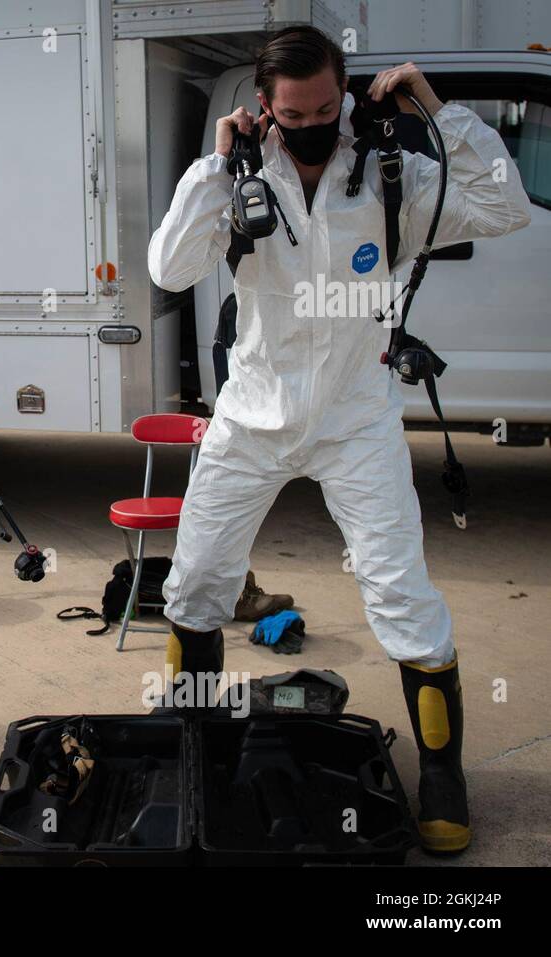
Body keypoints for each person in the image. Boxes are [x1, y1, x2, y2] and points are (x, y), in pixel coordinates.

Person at [147, 26, 531, 854]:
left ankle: (442, 776)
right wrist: (217, 165)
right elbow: (170, 267)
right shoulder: (241, 176)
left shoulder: (393, 174)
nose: (315, 121)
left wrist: (434, 106)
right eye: (295, 112)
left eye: (328, 105)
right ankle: (195, 755)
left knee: (403, 598)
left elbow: (506, 204)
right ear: (265, 110)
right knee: (196, 588)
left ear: (346, 92)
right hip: (250, 419)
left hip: (357, 422)